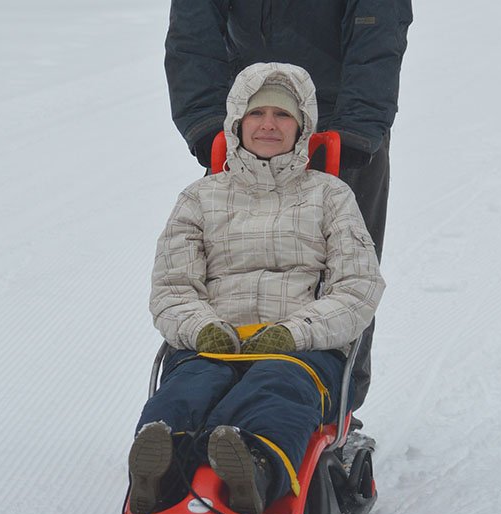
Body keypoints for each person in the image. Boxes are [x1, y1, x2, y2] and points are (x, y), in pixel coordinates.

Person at [128, 62, 385, 514]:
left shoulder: (330, 196)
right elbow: (172, 286)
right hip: (215, 342)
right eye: (257, 113)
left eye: (283, 115)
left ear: (302, 125)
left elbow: (358, 286)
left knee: (277, 385)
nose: (269, 124)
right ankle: (160, 464)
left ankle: (254, 466)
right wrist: (203, 328)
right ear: (236, 123)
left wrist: (296, 333)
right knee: (191, 384)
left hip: (296, 347)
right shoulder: (200, 198)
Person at [164, 0, 412, 409]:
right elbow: (193, 28)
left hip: (338, 122)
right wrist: (207, 121)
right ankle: (207, 388)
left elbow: (378, 27)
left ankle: (332, 406)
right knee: (230, 256)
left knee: (343, 267)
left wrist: (358, 126)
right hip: (249, 120)